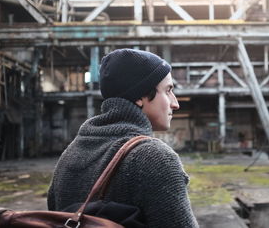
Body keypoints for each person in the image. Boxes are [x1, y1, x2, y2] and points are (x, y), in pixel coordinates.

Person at [47, 48, 199, 227]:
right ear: (140, 96)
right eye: (168, 91)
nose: (175, 103)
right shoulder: (154, 158)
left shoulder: (70, 155)